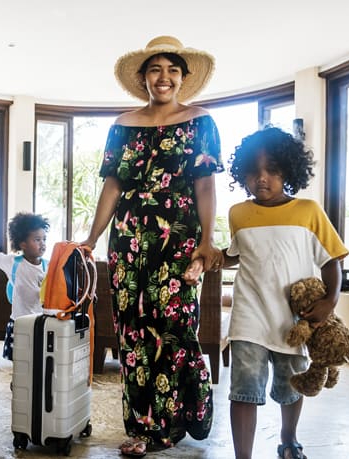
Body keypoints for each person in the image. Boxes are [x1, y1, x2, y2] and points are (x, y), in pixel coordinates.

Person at [80, 35, 224, 456]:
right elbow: (112, 184)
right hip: (127, 240)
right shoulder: (122, 124)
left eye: (173, 70)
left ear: (183, 78)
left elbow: (205, 184)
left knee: (175, 326)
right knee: (133, 330)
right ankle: (144, 429)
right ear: (143, 77)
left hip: (177, 239)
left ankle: (184, 410)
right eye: (156, 69)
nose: (164, 77)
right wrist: (92, 237)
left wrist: (206, 239)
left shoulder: (201, 121)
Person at [218, 127, 349, 459]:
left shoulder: (309, 211)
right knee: (243, 390)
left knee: (292, 386)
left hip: (293, 321)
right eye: (253, 170)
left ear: (288, 170)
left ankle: (288, 439)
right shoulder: (238, 213)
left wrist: (329, 301)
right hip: (249, 316)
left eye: (273, 169)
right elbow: (237, 254)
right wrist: (210, 257)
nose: (262, 178)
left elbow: (331, 259)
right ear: (242, 173)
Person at [0, 212, 49, 360]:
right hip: (19, 325)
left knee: (40, 362)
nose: (43, 243)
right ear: (23, 244)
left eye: (44, 239)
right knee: (21, 365)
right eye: (37, 239)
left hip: (42, 325)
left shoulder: (49, 266)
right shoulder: (14, 263)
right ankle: (19, 384)